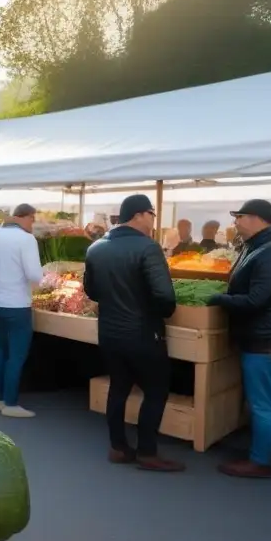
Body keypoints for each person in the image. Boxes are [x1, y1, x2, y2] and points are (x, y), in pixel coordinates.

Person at [84, 194, 184, 471]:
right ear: (140, 214)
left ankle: (118, 446)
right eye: (152, 214)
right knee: (155, 390)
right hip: (142, 333)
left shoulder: (96, 248)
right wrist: (161, 312)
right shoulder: (148, 248)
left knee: (118, 388)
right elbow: (165, 297)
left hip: (109, 332)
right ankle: (147, 452)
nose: (154, 221)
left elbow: (91, 291)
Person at [207, 199, 271, 478]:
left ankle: (259, 462)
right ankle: (267, 447)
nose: (235, 222)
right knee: (269, 401)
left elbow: (257, 299)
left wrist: (220, 299)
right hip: (266, 337)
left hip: (265, 341)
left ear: (257, 218)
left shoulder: (270, 252)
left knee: (262, 403)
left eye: (239, 216)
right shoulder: (259, 246)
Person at [0, 203, 44, 415]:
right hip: (17, 305)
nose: (33, 224)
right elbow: (35, 274)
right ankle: (11, 404)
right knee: (16, 356)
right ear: (24, 217)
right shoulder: (26, 239)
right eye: (32, 219)